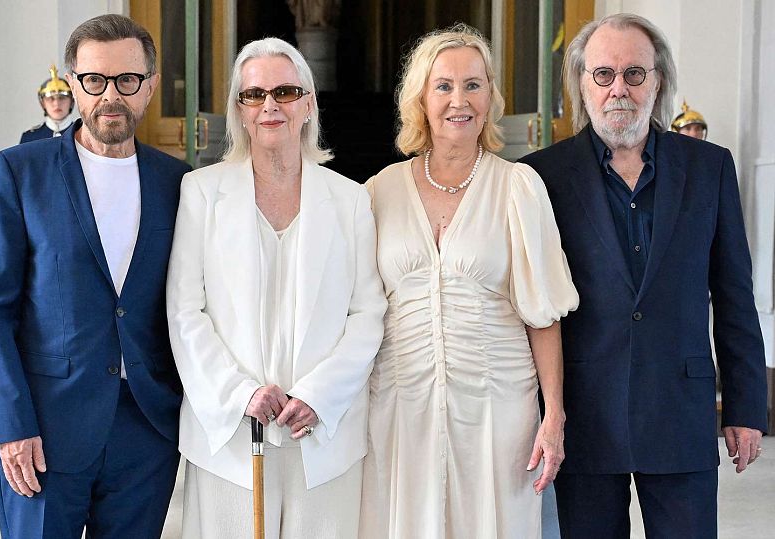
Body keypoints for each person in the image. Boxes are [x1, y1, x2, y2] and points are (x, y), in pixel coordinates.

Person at [520, 13, 768, 539]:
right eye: (603, 74)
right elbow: (531, 303)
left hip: (680, 411)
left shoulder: (709, 167)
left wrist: (746, 406)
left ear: (658, 81)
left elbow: (734, 294)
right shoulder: (542, 176)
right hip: (585, 416)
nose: (619, 89)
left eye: (635, 74)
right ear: (582, 84)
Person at [359, 24, 579, 538]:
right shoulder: (377, 192)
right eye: (444, 86)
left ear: (490, 98)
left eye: (473, 85)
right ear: (421, 99)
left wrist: (554, 417)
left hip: (496, 408)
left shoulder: (518, 187)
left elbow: (542, 315)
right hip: (397, 407)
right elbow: (357, 310)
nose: (460, 100)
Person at [0, 14, 191, 539]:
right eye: (94, 81)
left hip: (146, 432)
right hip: (44, 432)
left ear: (151, 86)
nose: (110, 96)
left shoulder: (179, 183)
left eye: (127, 81)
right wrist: (11, 426)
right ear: (73, 84)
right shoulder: (19, 171)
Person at [166, 37, 387, 539]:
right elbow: (185, 311)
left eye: (285, 91)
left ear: (308, 103)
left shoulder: (351, 199)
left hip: (322, 440)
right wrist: (239, 393)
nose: (270, 105)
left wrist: (319, 396)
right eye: (254, 94)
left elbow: (368, 313)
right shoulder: (201, 193)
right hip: (229, 439)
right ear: (239, 111)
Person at [20, 65, 75, 143]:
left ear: (72, 101)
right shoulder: (30, 137)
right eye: (50, 99)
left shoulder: (82, 134)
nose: (56, 103)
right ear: (43, 103)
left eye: (62, 98)